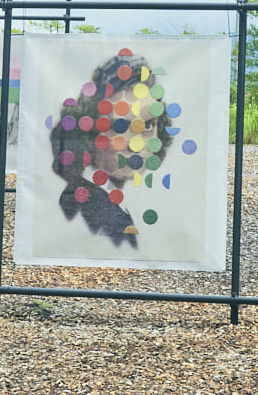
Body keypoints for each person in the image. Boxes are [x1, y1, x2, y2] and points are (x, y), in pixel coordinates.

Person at [48, 47, 181, 248]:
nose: (133, 144)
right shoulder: (90, 208)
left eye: (146, 125)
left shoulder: (114, 204)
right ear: (88, 133)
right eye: (117, 126)